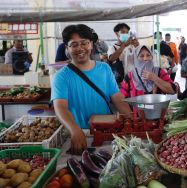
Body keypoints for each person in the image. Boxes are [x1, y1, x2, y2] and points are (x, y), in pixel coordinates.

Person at [51, 24, 131, 154]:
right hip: (80, 134)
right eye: (74, 44)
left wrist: (132, 118)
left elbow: (117, 98)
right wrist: (74, 130)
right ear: (67, 48)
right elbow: (60, 107)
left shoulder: (104, 69)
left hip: (107, 133)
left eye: (84, 43)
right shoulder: (61, 76)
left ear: (91, 44)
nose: (80, 48)